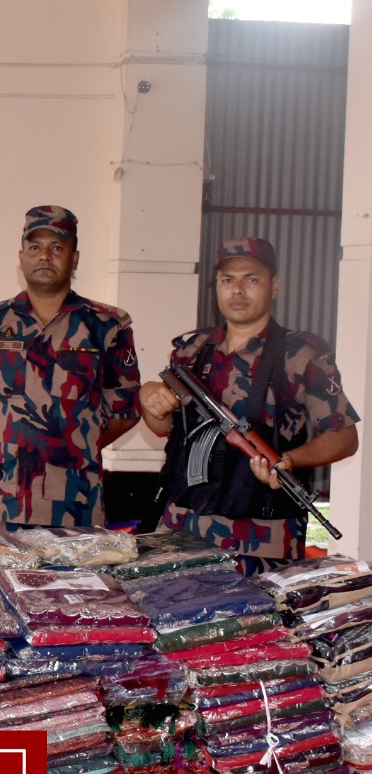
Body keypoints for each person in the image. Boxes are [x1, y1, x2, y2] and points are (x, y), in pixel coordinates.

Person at [138, 236, 359, 572]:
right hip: (180, 529)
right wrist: (149, 397)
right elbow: (162, 429)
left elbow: (344, 437)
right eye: (228, 280)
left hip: (261, 538)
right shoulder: (191, 350)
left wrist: (289, 460)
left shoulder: (301, 354)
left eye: (251, 279)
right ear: (217, 286)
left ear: (274, 286)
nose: (238, 290)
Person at [0, 205, 141, 529]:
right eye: (35, 247)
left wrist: (76, 443)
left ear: (75, 259)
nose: (44, 256)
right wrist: (13, 441)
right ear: (21, 257)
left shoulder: (106, 327)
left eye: (57, 247)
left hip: (78, 502)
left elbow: (125, 412)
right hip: (3, 501)